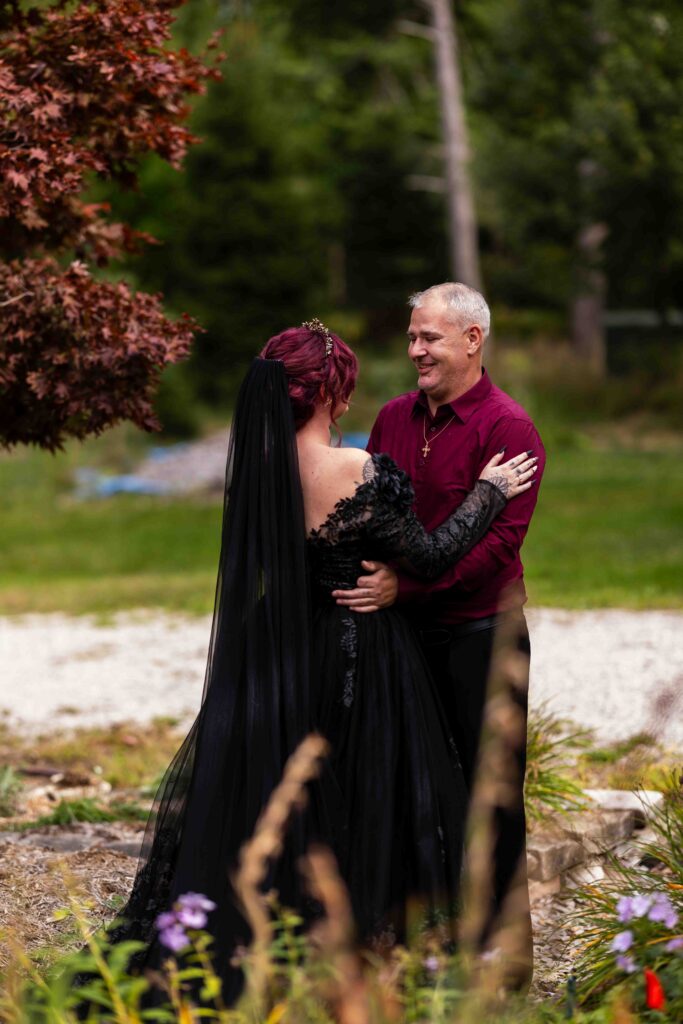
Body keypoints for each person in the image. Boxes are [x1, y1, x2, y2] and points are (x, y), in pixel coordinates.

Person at [102, 320, 537, 1003]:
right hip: (355, 646)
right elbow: (425, 555)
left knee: (289, 797)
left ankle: (278, 944)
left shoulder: (260, 467)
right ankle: (366, 951)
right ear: (331, 392)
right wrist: (487, 492)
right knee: (363, 791)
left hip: (279, 647)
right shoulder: (353, 469)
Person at [334, 282, 546, 985]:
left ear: (471, 340)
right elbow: (375, 515)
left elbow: (496, 551)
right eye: (412, 336)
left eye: (429, 337)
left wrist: (409, 585)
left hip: (478, 633)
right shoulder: (393, 418)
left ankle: (503, 956)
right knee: (405, 782)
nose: (414, 349)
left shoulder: (509, 431)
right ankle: (406, 938)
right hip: (399, 636)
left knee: (492, 791)